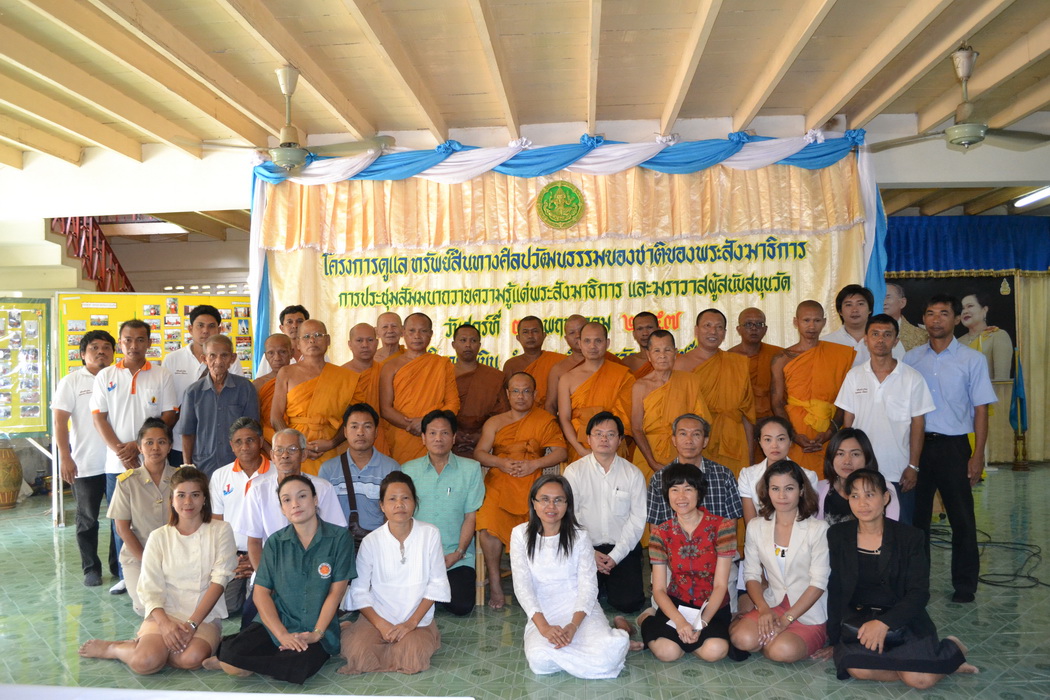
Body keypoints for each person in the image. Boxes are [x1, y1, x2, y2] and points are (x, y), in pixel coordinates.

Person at [820, 469, 978, 687]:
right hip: (860, 621)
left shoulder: (910, 537)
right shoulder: (838, 535)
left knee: (920, 681)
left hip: (903, 619)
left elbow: (919, 592)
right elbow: (836, 588)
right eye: (855, 496)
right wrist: (835, 638)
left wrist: (885, 623)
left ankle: (951, 650)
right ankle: (924, 666)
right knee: (858, 669)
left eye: (870, 495)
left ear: (885, 498)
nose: (862, 503)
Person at [80, 467, 237, 674]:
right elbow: (150, 587)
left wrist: (191, 625)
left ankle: (154, 648)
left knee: (190, 659)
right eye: (181, 495)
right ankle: (116, 648)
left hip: (202, 616)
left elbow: (219, 582)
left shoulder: (221, 530)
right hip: (165, 612)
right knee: (144, 663)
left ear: (205, 499)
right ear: (172, 499)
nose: (188, 502)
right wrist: (164, 625)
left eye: (195, 495)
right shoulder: (159, 536)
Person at [208, 474, 354, 684]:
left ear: (315, 500)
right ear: (283, 509)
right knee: (233, 653)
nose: (295, 504)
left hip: (313, 628)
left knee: (298, 666)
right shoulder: (276, 542)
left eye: (302, 496)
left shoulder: (339, 539)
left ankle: (241, 663)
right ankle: (239, 660)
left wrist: (316, 634)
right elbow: (261, 593)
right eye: (287, 500)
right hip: (279, 621)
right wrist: (283, 635)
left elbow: (335, 593)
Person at [904, 294, 997, 603]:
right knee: (917, 523)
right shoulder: (911, 359)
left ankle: (965, 585)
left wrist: (977, 455)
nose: (936, 319)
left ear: (956, 319)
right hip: (917, 448)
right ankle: (917, 587)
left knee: (962, 520)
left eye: (944, 313)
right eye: (930, 313)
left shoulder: (972, 360)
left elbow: (980, 410)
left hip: (955, 448)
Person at [510, 475, 636, 679]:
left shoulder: (579, 536)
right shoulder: (520, 535)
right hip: (543, 612)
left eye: (559, 500)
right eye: (544, 499)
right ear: (533, 502)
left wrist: (573, 626)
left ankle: (620, 632)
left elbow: (588, 586)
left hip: (581, 610)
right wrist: (544, 627)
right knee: (540, 662)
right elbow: (522, 586)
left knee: (607, 656)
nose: (551, 506)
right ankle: (606, 645)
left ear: (567, 504)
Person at [91, 319, 178, 594]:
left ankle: (166, 567)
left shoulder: (161, 374)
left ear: (149, 343)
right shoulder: (106, 376)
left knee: (158, 515)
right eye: (128, 339)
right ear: (120, 342)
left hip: (153, 459)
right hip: (117, 462)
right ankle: (125, 573)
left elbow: (169, 415)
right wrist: (121, 449)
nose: (133, 345)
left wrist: (137, 446)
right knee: (123, 520)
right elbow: (99, 418)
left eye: (140, 339)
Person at [339, 472, 451, 675]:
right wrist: (381, 625)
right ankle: (358, 629)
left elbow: (437, 584)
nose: (399, 504)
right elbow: (359, 590)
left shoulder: (430, 534)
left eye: (405, 498)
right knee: (360, 653)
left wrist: (411, 623)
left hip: (416, 619)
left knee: (411, 656)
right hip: (379, 616)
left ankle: (421, 634)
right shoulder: (371, 541)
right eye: (392, 499)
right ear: (382, 505)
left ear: (415, 503)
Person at [474, 372, 568, 609]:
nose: (521, 396)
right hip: (500, 480)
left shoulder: (544, 419)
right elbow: (480, 453)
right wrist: (501, 463)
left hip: (532, 481)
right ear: (507, 394)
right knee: (488, 522)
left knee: (540, 519)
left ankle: (532, 584)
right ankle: (495, 583)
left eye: (526, 391)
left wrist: (533, 464)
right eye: (515, 391)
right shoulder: (495, 422)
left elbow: (561, 452)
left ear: (535, 394)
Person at [836, 315, 935, 525]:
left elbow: (918, 424)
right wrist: (848, 463)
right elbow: (848, 424)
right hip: (861, 469)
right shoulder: (854, 376)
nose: (881, 340)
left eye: (887, 335)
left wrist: (913, 466)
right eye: (875, 334)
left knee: (901, 529)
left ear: (896, 341)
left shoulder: (912, 377)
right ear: (866, 339)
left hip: (898, 471)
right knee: (861, 529)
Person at [729, 460, 829, 663]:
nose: (782, 496)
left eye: (789, 488)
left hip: (807, 610)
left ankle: (780, 638)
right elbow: (751, 575)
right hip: (772, 602)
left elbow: (818, 583)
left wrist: (786, 620)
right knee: (741, 639)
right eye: (775, 489)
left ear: (801, 490)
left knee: (780, 652)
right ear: (767, 491)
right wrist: (763, 608)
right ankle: (768, 636)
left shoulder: (818, 529)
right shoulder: (756, 526)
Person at [641, 462, 736, 662]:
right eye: (674, 490)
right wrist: (680, 622)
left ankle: (686, 640)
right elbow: (658, 589)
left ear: (699, 493)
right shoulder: (660, 532)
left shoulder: (722, 527)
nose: (681, 497)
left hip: (712, 606)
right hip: (677, 604)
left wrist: (700, 623)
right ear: (667, 494)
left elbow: (720, 585)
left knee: (716, 651)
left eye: (688, 489)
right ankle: (648, 620)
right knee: (668, 653)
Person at [402, 409, 484, 615]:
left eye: (445, 433)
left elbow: (470, 516)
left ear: (454, 438)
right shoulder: (407, 471)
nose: (438, 438)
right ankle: (433, 592)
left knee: (461, 606)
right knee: (404, 603)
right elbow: (403, 518)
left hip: (456, 558)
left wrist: (458, 553)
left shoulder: (471, 469)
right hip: (418, 557)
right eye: (432, 433)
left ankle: (433, 593)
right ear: (423, 438)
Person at [563, 412, 646, 614]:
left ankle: (608, 583)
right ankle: (601, 584)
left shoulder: (633, 474)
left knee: (629, 604)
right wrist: (589, 553)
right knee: (578, 603)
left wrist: (616, 556)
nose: (604, 439)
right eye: (598, 433)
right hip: (584, 548)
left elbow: (637, 519)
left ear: (619, 440)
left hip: (621, 548)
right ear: (589, 439)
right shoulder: (573, 472)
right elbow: (567, 517)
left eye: (610, 434)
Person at [53, 329, 116, 587]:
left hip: (118, 462)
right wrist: (65, 457)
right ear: (82, 354)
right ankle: (91, 568)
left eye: (106, 347)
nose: (101, 351)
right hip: (85, 464)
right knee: (87, 519)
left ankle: (119, 567)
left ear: (113, 352)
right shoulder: (71, 381)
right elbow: (59, 421)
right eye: (94, 347)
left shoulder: (119, 377)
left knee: (120, 519)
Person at [771, 301, 856, 474]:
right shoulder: (782, 358)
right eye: (806, 320)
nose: (811, 326)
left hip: (828, 429)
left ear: (824, 322)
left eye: (817, 321)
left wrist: (830, 431)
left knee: (828, 482)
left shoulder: (838, 355)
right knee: (795, 481)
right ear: (796, 322)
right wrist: (793, 435)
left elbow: (844, 400)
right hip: (795, 432)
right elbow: (777, 402)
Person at [106, 418, 180, 614]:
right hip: (138, 556)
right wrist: (147, 562)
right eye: (149, 442)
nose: (155, 447)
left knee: (179, 604)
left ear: (170, 446)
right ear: (139, 447)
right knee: (145, 606)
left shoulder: (182, 479)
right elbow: (121, 528)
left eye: (162, 442)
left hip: (177, 555)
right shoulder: (126, 483)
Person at [271, 320, 359, 475]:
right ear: (297, 344)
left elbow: (353, 419)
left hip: (332, 448)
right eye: (306, 336)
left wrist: (332, 443)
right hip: (295, 454)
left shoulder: (345, 377)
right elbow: (275, 417)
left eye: (318, 335)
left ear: (328, 340)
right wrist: (296, 445)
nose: (312, 340)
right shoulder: (286, 373)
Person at [675, 309, 756, 474]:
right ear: (696, 330)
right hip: (696, 444)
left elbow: (747, 415)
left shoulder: (736, 363)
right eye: (707, 326)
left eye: (719, 327)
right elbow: (676, 414)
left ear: (725, 333)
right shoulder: (680, 365)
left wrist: (749, 455)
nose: (713, 331)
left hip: (733, 443)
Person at [165, 305, 246, 466]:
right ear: (190, 328)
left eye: (211, 326)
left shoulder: (231, 360)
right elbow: (168, 401)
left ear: (219, 329)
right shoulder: (172, 359)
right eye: (200, 325)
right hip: (179, 442)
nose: (205, 331)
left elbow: (236, 394)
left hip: (221, 445)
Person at [630, 330, 711, 481]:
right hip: (648, 455)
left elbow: (700, 422)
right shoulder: (639, 386)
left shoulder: (689, 382)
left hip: (683, 455)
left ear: (675, 353)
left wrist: (688, 459)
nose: (662, 355)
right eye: (656, 351)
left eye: (667, 350)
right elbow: (636, 428)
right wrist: (652, 462)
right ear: (649, 355)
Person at [379, 313, 460, 463]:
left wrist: (426, 425)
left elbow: (453, 405)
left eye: (423, 331)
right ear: (403, 333)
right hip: (403, 435)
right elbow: (385, 409)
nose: (417, 336)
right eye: (412, 331)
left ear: (431, 334)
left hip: (435, 436)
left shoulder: (442, 365)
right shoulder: (390, 366)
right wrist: (412, 425)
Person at [210, 418, 272, 614]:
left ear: (261, 442)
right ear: (231, 446)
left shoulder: (277, 474)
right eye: (238, 441)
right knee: (228, 607)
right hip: (232, 554)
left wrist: (258, 561)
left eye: (250, 440)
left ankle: (256, 581)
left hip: (267, 552)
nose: (245, 446)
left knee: (257, 606)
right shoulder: (220, 476)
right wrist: (230, 558)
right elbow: (216, 524)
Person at [317, 402, 400, 544]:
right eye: (354, 426)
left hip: (378, 546)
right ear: (345, 432)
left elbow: (395, 514)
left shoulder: (391, 468)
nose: (360, 432)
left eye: (367, 426)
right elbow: (320, 513)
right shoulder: (328, 469)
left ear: (376, 432)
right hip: (338, 547)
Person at [180, 335, 260, 477]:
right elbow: (188, 433)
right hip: (203, 466)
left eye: (224, 355)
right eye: (212, 356)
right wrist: (188, 467)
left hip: (238, 465)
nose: (218, 361)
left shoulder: (245, 388)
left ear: (232, 358)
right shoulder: (192, 392)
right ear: (204, 359)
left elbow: (253, 431)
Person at [557, 322, 635, 462]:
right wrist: (580, 449)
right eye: (587, 341)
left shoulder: (622, 375)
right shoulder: (567, 379)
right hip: (580, 449)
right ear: (579, 343)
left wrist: (610, 446)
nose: (592, 346)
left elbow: (627, 417)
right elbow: (564, 419)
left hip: (613, 449)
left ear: (607, 343)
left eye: (598, 341)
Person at [738, 416, 818, 525]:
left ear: (790, 441)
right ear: (760, 442)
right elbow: (751, 524)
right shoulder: (747, 475)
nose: (774, 445)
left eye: (781, 439)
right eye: (768, 439)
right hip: (761, 538)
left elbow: (807, 519)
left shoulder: (808, 476)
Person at [817, 428, 900, 524]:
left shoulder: (885, 488)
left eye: (855, 454)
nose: (847, 461)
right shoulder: (819, 489)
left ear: (867, 458)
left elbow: (891, 530)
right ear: (831, 457)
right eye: (840, 454)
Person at [451, 324, 508, 458]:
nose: (468, 345)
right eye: (463, 340)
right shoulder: (443, 374)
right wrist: (452, 433)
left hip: (484, 440)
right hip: (447, 439)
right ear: (453, 344)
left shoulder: (493, 377)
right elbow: (435, 409)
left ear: (479, 345)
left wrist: (483, 434)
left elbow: (503, 414)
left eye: (473, 341)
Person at [823, 284, 904, 367]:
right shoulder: (826, 343)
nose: (854, 310)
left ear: (870, 309)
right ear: (840, 311)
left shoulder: (888, 341)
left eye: (860, 304)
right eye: (848, 305)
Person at [728, 307, 783, 420]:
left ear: (765, 329)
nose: (754, 328)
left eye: (759, 324)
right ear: (739, 329)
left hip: (772, 419)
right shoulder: (729, 357)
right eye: (748, 324)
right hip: (739, 419)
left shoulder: (779, 354)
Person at [502, 315, 565, 409]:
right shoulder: (511, 365)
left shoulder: (560, 361)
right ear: (518, 338)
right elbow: (506, 399)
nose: (530, 336)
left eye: (535, 331)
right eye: (525, 332)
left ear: (544, 335)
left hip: (550, 416)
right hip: (519, 419)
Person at [253, 334, 293, 454]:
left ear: (291, 352)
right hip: (268, 445)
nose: (277, 358)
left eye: (282, 352)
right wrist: (269, 449)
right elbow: (256, 422)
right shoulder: (258, 384)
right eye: (271, 353)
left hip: (299, 440)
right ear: (265, 356)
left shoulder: (301, 380)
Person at [958, 292, 1012, 381]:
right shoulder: (958, 342)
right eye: (962, 308)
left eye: (970, 306)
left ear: (984, 309)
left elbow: (1002, 381)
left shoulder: (998, 336)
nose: (965, 311)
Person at [544, 314, 587, 414]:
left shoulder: (609, 362)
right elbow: (551, 406)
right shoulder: (558, 369)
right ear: (566, 339)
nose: (577, 335)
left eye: (581, 330)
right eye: (572, 333)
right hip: (571, 426)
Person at [257, 305, 310, 375]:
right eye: (289, 322)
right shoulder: (271, 354)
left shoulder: (316, 351)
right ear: (282, 328)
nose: (295, 326)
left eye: (300, 321)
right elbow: (263, 382)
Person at [883, 283, 928, 351]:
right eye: (878, 297)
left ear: (902, 302)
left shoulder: (921, 336)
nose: (883, 302)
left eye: (887, 297)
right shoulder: (865, 334)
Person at [622, 311, 659, 377]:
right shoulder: (627, 363)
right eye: (640, 329)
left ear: (658, 330)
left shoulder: (672, 360)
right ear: (634, 334)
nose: (645, 333)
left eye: (649, 327)